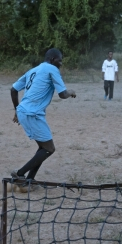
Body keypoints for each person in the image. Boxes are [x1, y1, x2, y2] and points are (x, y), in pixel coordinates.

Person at [10, 48, 76, 186]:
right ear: (52, 59)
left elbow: (14, 89)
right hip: (31, 113)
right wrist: (71, 92)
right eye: (60, 60)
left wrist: (17, 110)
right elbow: (63, 94)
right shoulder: (52, 69)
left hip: (25, 111)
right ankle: (20, 174)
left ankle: (30, 180)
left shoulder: (33, 70)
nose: (61, 63)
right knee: (49, 149)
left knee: (43, 148)